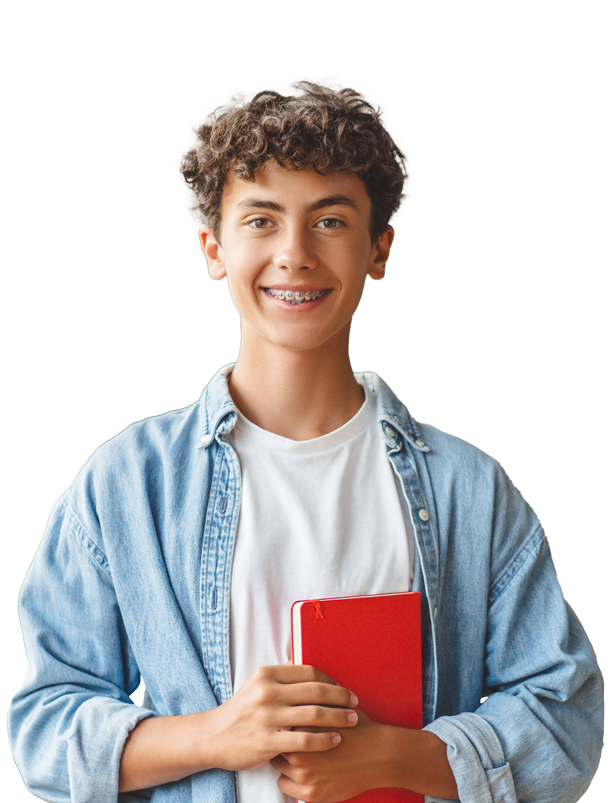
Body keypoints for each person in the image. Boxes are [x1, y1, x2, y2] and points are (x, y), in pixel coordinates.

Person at [9, 82, 604, 803]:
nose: (293, 252)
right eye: (261, 220)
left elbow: (565, 718)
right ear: (214, 248)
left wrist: (396, 757)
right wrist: (217, 732)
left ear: (377, 248)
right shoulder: (128, 483)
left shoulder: (467, 491)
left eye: (328, 220)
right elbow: (42, 721)